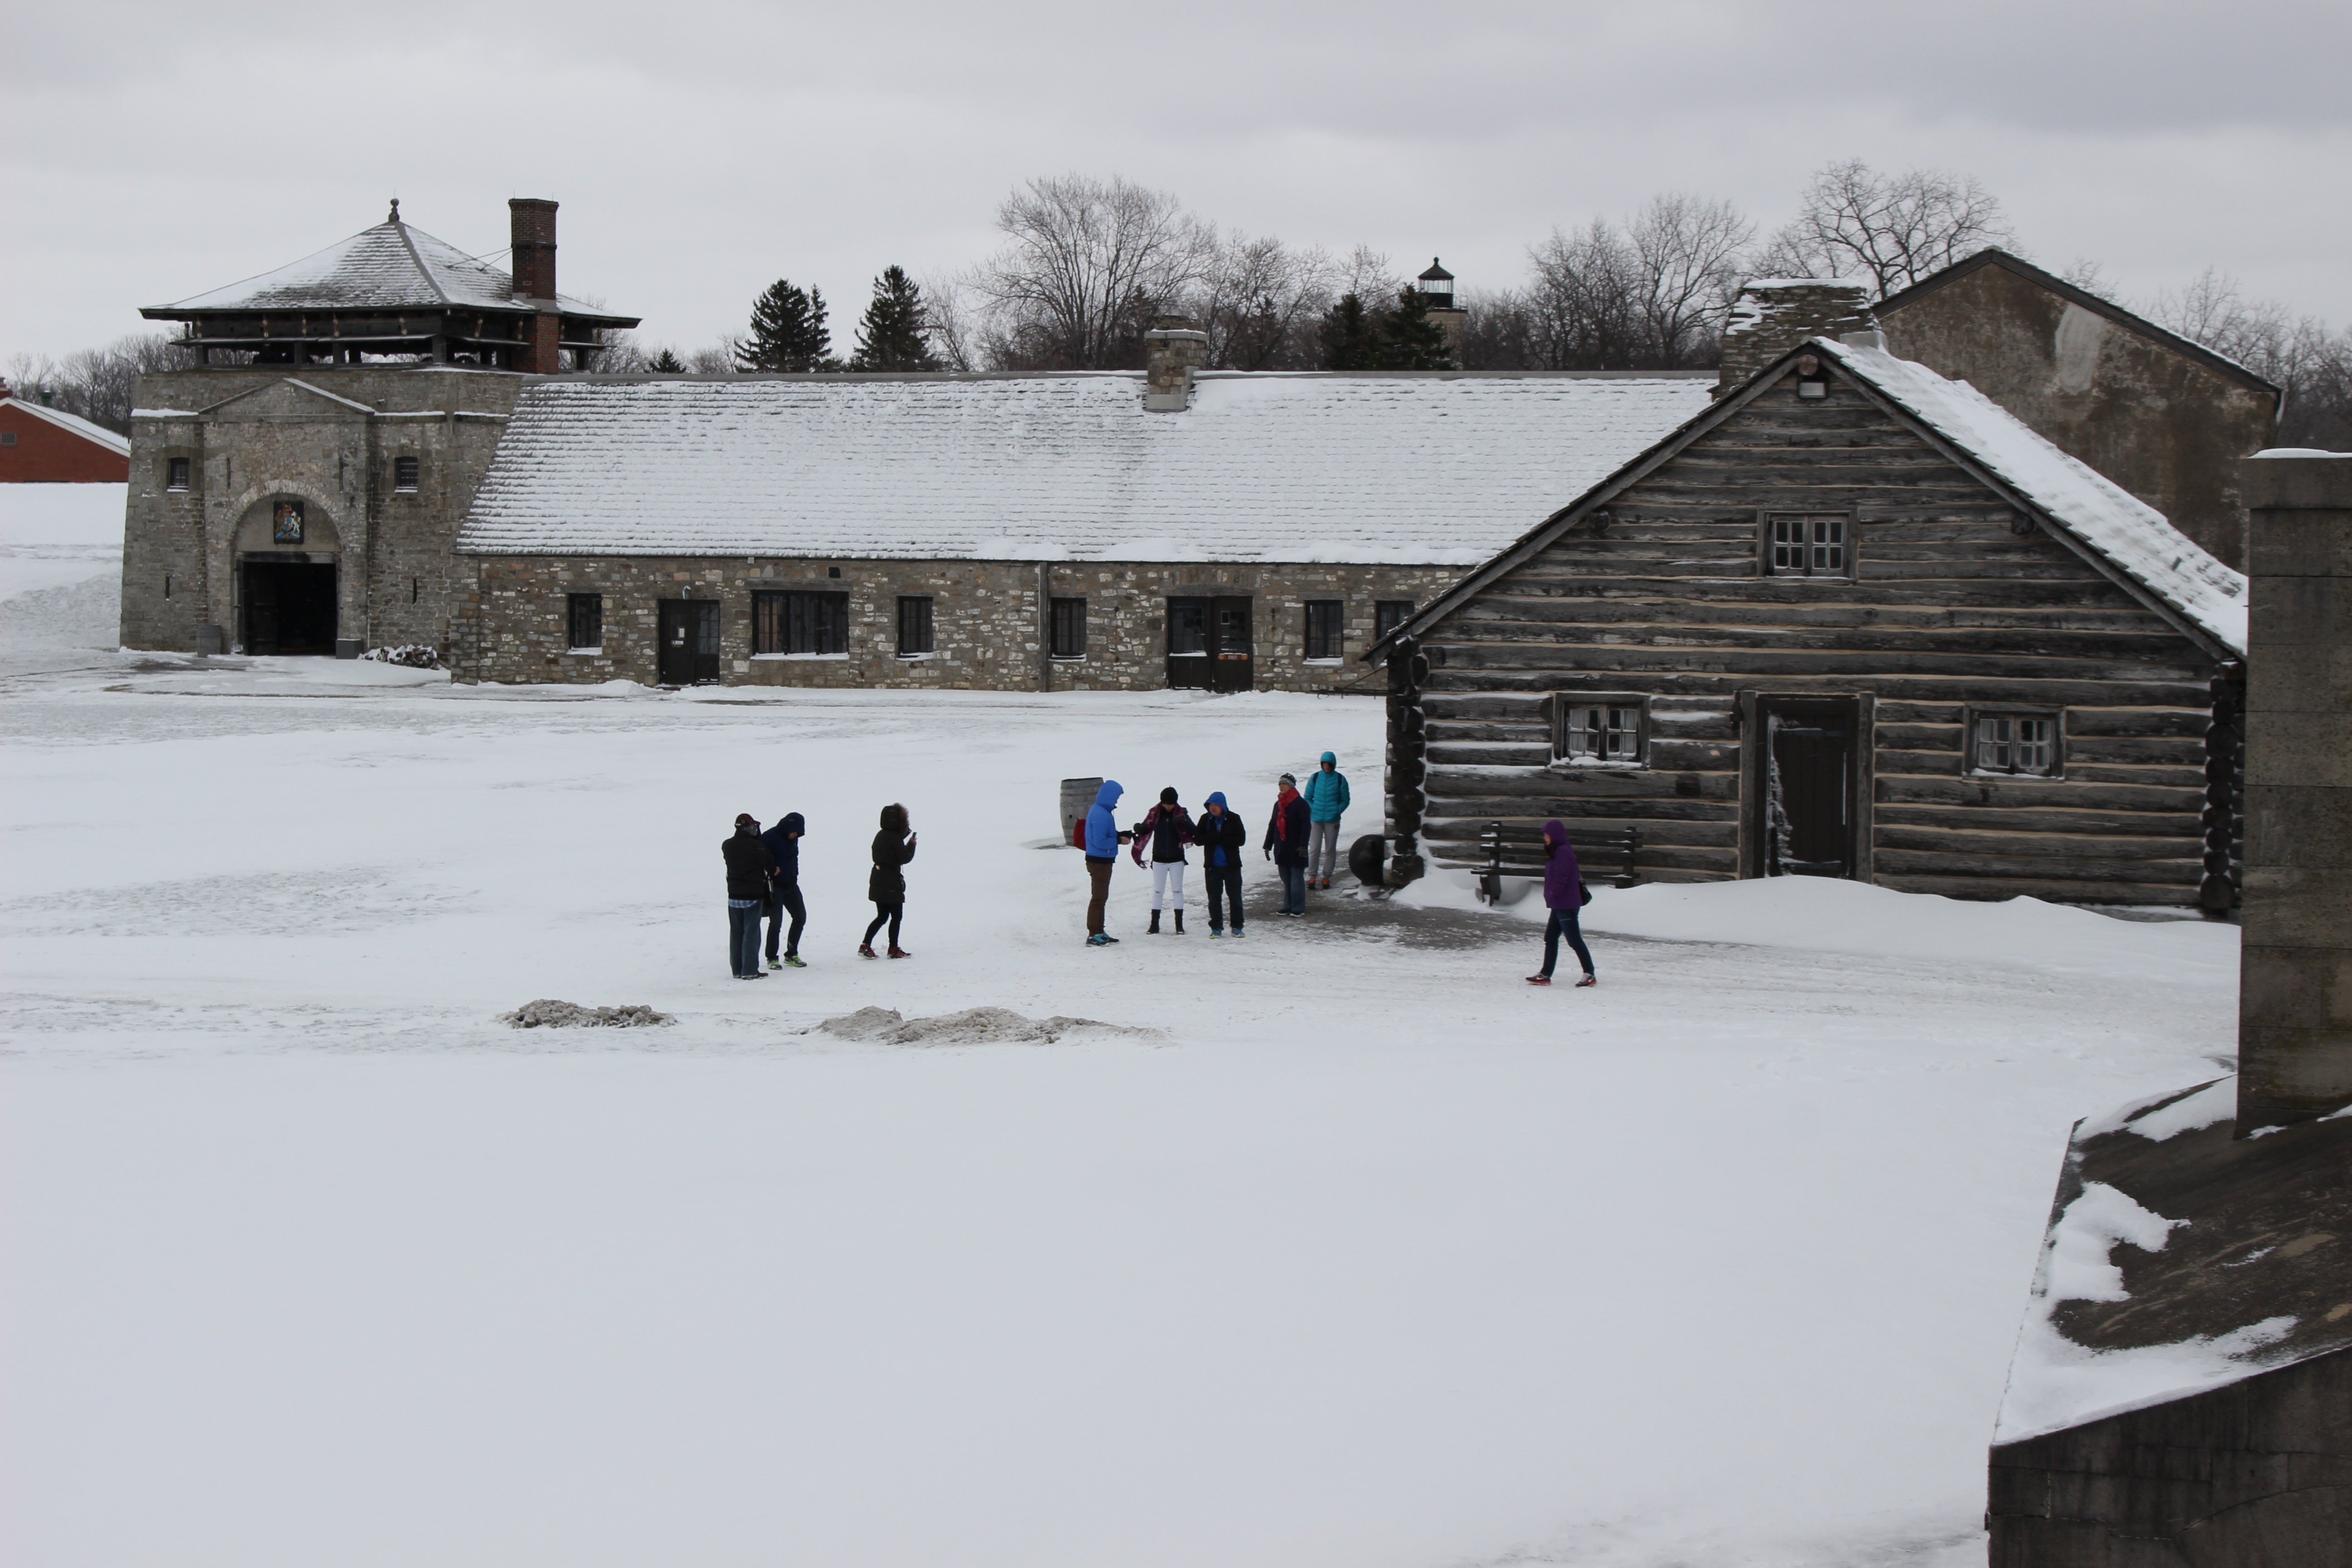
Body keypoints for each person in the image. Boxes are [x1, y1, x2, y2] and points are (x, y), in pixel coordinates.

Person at [1528, 819, 1597, 987]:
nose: (1545, 837)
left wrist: (1553, 894)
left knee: (1574, 940)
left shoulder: (1563, 852)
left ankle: (1589, 974)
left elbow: (1562, 878)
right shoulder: (1557, 851)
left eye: (1547, 834)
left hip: (1565, 904)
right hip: (1559, 904)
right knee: (1551, 937)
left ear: (1555, 835)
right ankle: (1545, 974)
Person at [1130, 786, 1195, 934]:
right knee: (1158, 891)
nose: (1167, 806)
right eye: (1165, 803)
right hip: (1159, 858)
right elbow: (1146, 828)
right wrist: (1139, 828)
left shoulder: (1182, 813)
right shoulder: (1155, 813)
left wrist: (1184, 822)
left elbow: (1195, 832)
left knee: (1177, 890)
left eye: (1170, 803)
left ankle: (1179, 925)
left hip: (1177, 858)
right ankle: (1154, 925)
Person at [721, 813, 778, 980]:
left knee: (737, 933)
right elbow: (770, 865)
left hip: (733, 894)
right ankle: (750, 970)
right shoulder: (757, 847)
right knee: (751, 933)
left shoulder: (727, 845)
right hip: (753, 895)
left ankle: (737, 969)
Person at [862, 804, 916, 959]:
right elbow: (905, 858)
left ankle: (865, 945)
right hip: (891, 881)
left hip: (878, 879)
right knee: (897, 916)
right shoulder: (894, 837)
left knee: (882, 916)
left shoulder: (881, 835)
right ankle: (893, 949)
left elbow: (891, 850)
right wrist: (911, 846)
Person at [1083, 780, 1128, 946]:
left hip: (1102, 860)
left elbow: (1105, 835)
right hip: (1099, 862)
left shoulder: (1102, 811)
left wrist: (1120, 834)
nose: (1117, 801)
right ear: (1109, 796)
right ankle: (1094, 934)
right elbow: (1100, 841)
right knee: (1099, 898)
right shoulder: (1101, 814)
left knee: (1101, 897)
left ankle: (1099, 931)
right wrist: (1118, 840)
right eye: (1116, 797)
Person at [760, 811, 808, 969]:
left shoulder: (794, 839)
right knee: (776, 923)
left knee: (800, 917)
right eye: (795, 832)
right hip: (775, 887)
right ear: (788, 827)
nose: (796, 835)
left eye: (799, 833)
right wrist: (771, 870)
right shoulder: (769, 837)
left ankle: (792, 953)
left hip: (792, 885)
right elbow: (760, 858)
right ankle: (772, 957)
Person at [1197, 791, 1248, 938]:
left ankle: (1237, 927)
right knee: (1214, 899)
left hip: (1232, 866)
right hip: (1213, 866)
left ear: (1223, 806)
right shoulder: (1205, 820)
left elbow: (1241, 840)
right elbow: (1198, 840)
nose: (1213, 808)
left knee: (1235, 898)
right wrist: (1214, 837)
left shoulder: (1234, 819)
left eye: (1216, 805)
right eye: (1210, 805)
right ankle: (1216, 927)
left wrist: (1222, 839)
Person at [1301, 750, 1351, 890]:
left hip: (1332, 820)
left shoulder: (1340, 779)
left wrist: (1336, 811)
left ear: (1333, 765)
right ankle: (1312, 877)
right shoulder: (1315, 778)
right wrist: (1313, 809)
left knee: (1330, 850)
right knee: (1314, 849)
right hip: (1316, 820)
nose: (1327, 766)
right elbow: (1307, 798)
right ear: (1322, 764)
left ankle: (1326, 877)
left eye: (1329, 764)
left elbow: (1345, 800)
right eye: (1325, 764)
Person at [1263, 773, 1310, 916]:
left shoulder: (1301, 804)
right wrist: (1268, 845)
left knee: (1296, 878)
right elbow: (1273, 826)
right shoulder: (1278, 805)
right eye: (1280, 784)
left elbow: (1306, 827)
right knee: (1285, 878)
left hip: (1296, 848)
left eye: (1284, 784)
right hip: (1282, 847)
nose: (1281, 787)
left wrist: (1303, 845)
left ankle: (1297, 907)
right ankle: (1287, 905)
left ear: (1291, 786)